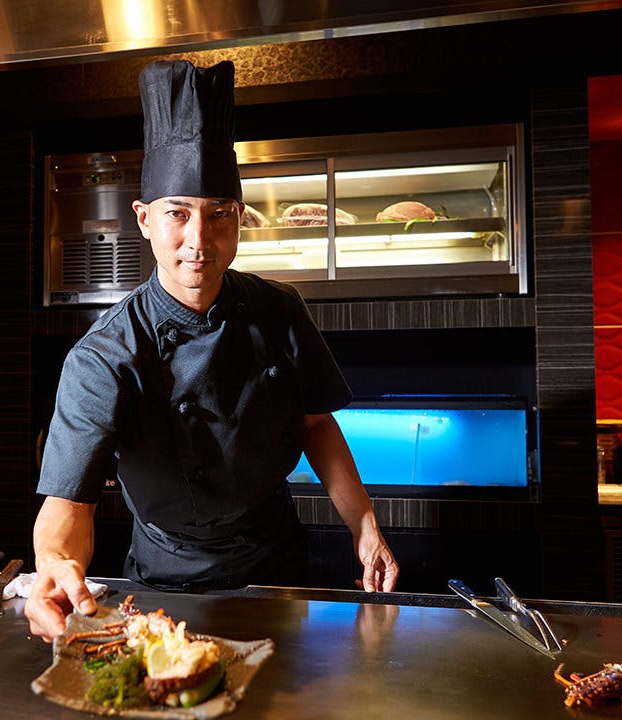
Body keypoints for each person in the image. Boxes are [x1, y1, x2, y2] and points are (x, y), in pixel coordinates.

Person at [25, 58, 398, 643]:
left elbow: (317, 424)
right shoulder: (106, 354)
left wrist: (365, 525)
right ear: (144, 220)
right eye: (177, 214)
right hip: (166, 586)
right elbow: (69, 502)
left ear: (240, 219)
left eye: (218, 214)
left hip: (276, 572)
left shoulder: (280, 310)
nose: (198, 240)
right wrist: (56, 564)